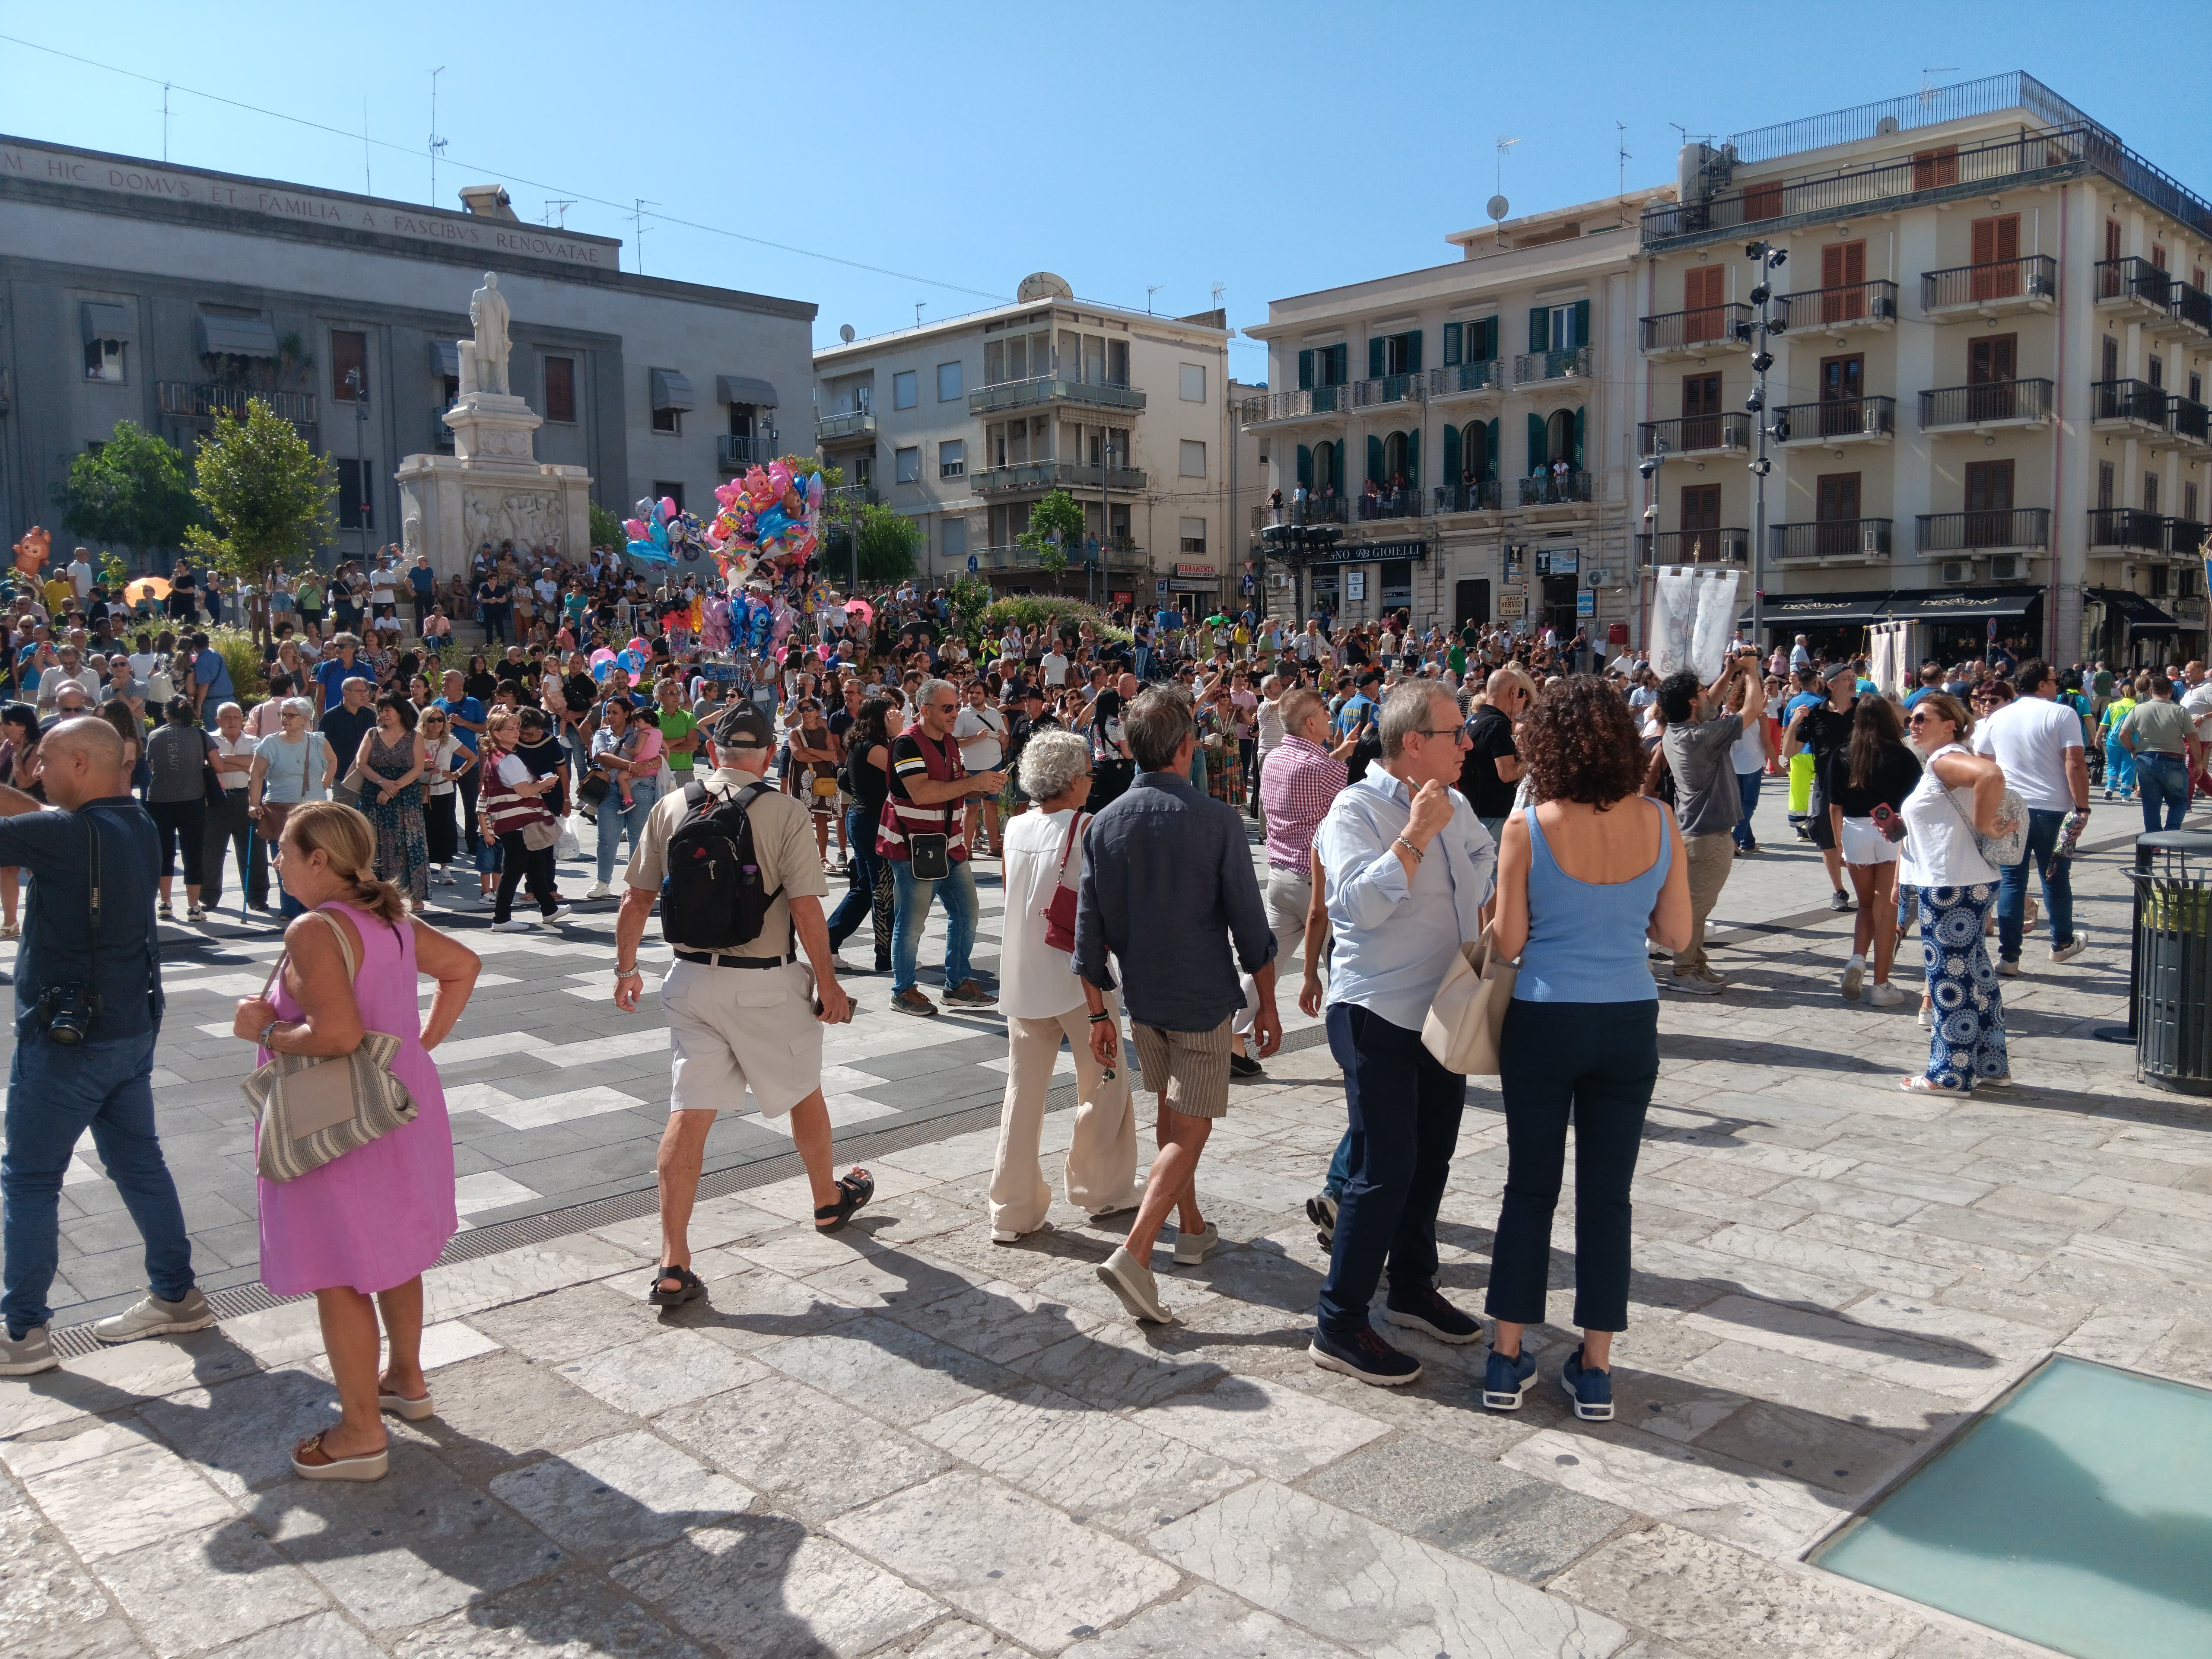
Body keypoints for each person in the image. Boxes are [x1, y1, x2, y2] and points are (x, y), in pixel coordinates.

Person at [229, 801, 480, 1476]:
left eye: (284, 848)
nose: (275, 858)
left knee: (338, 1271)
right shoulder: (390, 917)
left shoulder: (316, 928)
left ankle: (360, 1432)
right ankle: (406, 1379)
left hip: (337, 1118)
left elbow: (335, 1034)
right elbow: (463, 965)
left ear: (319, 859)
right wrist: (418, 1044)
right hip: (401, 1101)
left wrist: (264, 1032)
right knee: (396, 1252)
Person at [611, 704, 868, 1306]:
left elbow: (636, 896)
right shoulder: (785, 811)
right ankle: (827, 1200)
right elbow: (807, 909)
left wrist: (626, 969)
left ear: (716, 752)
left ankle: (673, 1259)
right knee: (804, 1088)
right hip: (764, 981)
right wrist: (828, 983)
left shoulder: (674, 805)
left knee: (690, 1110)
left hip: (690, 978)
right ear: (768, 753)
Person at [1483, 676, 1689, 1419]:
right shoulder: (1660, 821)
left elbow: (1507, 942)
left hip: (1543, 1017)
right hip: (1628, 1018)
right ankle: (1595, 1367)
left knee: (1529, 1190)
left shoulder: (1528, 827)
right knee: (1609, 1198)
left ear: (1547, 744)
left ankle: (1506, 1358)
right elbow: (1678, 936)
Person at [0, 718, 213, 1376]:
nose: (37, 768)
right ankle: (176, 1295)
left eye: (46, 759)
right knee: (139, 1164)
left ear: (82, 766)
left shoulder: (63, 835)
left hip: (68, 1040)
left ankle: (23, 1333)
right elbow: (42, 819)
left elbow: (37, 826)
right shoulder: (135, 822)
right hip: (129, 1027)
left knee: (30, 1179)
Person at [1306, 683, 1494, 1386]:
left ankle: (1412, 1284)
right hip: (1375, 1012)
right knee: (1382, 1169)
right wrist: (1414, 836)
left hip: (1444, 1010)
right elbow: (1353, 909)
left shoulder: (1460, 802)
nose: (1468, 743)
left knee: (1433, 1157)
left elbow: (1482, 860)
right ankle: (1339, 1321)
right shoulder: (1354, 809)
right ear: (1414, 742)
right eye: (1456, 732)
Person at [1081, 688, 1281, 1325]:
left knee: (1173, 1121)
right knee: (1190, 1128)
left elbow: (1088, 936)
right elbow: (1251, 926)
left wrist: (1095, 1012)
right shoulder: (1217, 820)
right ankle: (1136, 1254)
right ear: (1186, 747)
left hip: (1144, 996)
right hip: (1200, 997)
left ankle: (1191, 1228)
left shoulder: (1104, 822)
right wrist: (1268, 1002)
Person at [988, 729, 1137, 1240]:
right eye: (1088, 775)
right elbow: (1102, 911)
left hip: (1023, 973)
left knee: (1021, 1092)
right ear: (1074, 780)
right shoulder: (1087, 826)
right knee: (1105, 1081)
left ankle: (1011, 1209)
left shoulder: (1014, 827)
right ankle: (1100, 1188)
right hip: (1077, 980)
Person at [1897, 694, 2009, 1091]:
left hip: (1950, 886)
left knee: (1950, 980)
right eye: (1911, 718)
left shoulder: (1945, 758)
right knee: (1977, 976)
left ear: (1950, 724)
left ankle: (1949, 1073)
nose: (1914, 724)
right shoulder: (1941, 760)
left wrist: (1984, 824)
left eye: (1923, 718)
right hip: (1966, 880)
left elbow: (1991, 776)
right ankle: (1992, 1066)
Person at [881, 679, 1004, 1017]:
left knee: (967, 913)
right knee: (912, 922)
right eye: (948, 708)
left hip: (949, 846)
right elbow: (921, 792)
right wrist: (975, 783)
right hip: (914, 848)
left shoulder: (949, 742)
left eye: (957, 706)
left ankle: (958, 985)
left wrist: (984, 786)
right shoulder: (907, 744)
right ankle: (903, 990)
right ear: (925, 710)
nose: (956, 714)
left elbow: (951, 789)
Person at [1973, 660, 2088, 971]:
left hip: (2010, 807)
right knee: (2055, 876)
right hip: (2053, 808)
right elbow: (2075, 763)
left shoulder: (1997, 718)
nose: (2057, 685)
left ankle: (2009, 956)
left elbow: (1984, 762)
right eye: (2054, 680)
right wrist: (2083, 807)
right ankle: (2062, 942)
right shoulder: (2063, 714)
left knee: (2012, 881)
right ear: (2041, 684)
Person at [1656, 658, 1759, 993]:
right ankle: (1684, 971)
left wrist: (1730, 672)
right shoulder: (1701, 737)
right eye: (1701, 691)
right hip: (1706, 838)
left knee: (1699, 905)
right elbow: (1753, 710)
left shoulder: (1678, 730)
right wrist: (1753, 672)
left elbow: (1710, 704)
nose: (1707, 696)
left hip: (1698, 834)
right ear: (1690, 702)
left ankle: (1696, 963)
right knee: (1696, 909)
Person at [1823, 695, 1920, 1006]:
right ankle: (1881, 985)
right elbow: (1914, 804)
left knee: (1865, 905)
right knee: (1887, 906)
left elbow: (1834, 806)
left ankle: (1857, 959)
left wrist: (1839, 844)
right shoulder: (1902, 756)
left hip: (1855, 830)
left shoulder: (1842, 754)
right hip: (1891, 829)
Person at [478, 711, 571, 931]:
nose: (516, 732)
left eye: (516, 727)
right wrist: (543, 784)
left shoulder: (498, 756)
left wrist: (539, 785)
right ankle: (501, 919)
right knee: (513, 870)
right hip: (517, 821)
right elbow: (524, 790)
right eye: (510, 729)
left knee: (535, 865)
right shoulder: (508, 759)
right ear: (497, 734)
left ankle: (549, 909)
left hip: (514, 821)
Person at [1784, 662, 1860, 909]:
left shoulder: (1864, 710)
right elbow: (1788, 752)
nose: (1853, 681)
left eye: (1853, 677)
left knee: (1863, 835)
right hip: (1826, 783)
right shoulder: (1816, 713)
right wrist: (1795, 722)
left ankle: (1870, 886)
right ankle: (1839, 891)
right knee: (1826, 837)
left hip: (1861, 783)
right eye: (1847, 678)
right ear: (1831, 685)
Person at [143, 696, 215, 922]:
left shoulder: (155, 735)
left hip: (159, 799)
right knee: (192, 851)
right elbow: (218, 764)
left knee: (164, 852)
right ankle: (194, 907)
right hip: (192, 798)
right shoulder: (201, 735)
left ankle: (165, 903)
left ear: (166, 713)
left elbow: (151, 764)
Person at [585, 697, 662, 899]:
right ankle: (603, 881)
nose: (610, 717)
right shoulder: (602, 733)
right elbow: (600, 756)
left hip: (641, 787)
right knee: (607, 838)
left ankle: (636, 883)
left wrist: (656, 760)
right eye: (608, 712)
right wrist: (629, 766)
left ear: (627, 714)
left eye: (615, 712)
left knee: (638, 838)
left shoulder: (640, 732)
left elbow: (659, 752)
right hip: (609, 789)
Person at [201, 701, 268, 915]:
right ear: (218, 720)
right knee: (211, 851)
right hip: (216, 800)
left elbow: (258, 766)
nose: (232, 722)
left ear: (242, 719)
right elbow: (208, 768)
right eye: (227, 718)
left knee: (254, 851)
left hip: (246, 798)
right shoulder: (207, 739)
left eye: (236, 717)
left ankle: (257, 897)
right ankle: (208, 897)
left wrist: (221, 760)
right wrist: (244, 764)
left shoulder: (254, 741)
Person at [2117, 676, 2195, 833]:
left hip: (2147, 759)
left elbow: (2123, 735)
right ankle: (2172, 833)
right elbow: (2192, 739)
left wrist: (2134, 750)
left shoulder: (2138, 709)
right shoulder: (2180, 711)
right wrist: (2198, 762)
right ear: (2171, 691)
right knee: (2179, 801)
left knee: (2151, 804)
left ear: (2151, 690)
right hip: (2174, 759)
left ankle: (2154, 840)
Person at [1459, 669, 1528, 846]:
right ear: (1513, 693)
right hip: (1492, 816)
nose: (1523, 699)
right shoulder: (1498, 725)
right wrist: (1535, 760)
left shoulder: (1475, 720)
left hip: (1473, 809)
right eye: (1521, 693)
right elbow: (1507, 773)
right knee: (1492, 871)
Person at [953, 677, 1008, 857]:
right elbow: (954, 742)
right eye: (971, 693)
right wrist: (975, 738)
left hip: (994, 765)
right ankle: (966, 848)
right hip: (972, 768)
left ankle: (994, 846)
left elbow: (1005, 740)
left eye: (978, 693)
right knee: (972, 807)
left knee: (992, 805)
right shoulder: (962, 715)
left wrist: (1001, 738)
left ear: (986, 695)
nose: (974, 696)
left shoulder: (994, 713)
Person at [418, 706, 472, 884]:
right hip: (421, 790)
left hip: (444, 790)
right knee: (422, 829)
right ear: (425, 721)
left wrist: (458, 774)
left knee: (443, 829)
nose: (437, 724)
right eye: (432, 720)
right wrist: (422, 765)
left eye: (440, 720)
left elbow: (472, 757)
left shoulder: (449, 740)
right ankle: (423, 867)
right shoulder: (416, 740)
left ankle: (444, 868)